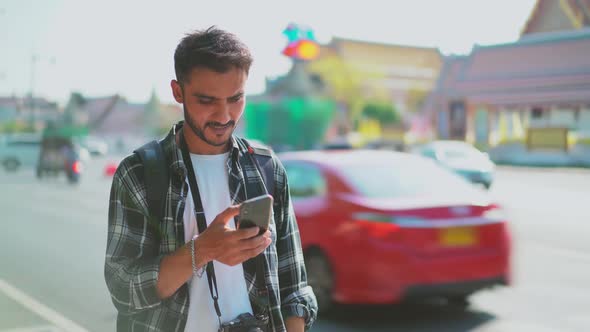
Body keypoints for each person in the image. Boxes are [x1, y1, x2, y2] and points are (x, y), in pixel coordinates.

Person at [104, 27, 317, 332]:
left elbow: (294, 286)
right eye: (207, 101)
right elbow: (123, 289)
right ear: (178, 92)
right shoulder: (139, 173)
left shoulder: (266, 167)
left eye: (236, 99)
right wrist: (202, 250)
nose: (224, 115)